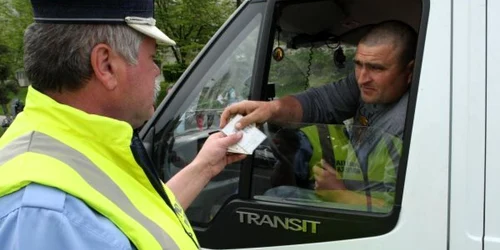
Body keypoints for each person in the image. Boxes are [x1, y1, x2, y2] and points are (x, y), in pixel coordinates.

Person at [0, 0, 245, 249]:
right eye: (152, 58)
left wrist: (205, 166)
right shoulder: (47, 215)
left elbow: (136, 223)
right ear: (106, 65)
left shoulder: (79, 146)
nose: (156, 71)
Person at [220, 20, 417, 211]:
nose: (362, 79)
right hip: (351, 199)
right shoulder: (368, 87)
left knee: (275, 199)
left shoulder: (414, 121)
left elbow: (411, 210)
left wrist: (339, 195)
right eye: (358, 64)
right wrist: (270, 109)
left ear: (410, 70)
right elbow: (319, 102)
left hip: (370, 222)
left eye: (376, 68)